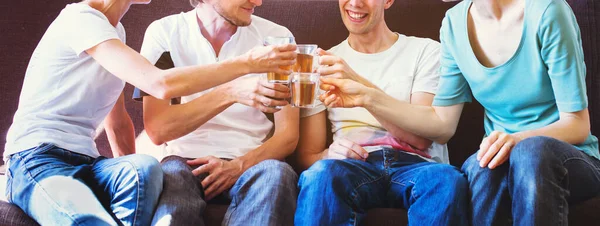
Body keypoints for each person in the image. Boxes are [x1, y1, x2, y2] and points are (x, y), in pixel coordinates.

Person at [3, 0, 296, 225]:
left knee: (145, 168)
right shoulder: (81, 20)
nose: (257, 1)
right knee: (165, 173)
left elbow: (117, 124)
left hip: (88, 160)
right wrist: (242, 74)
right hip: (38, 155)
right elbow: (159, 84)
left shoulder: (114, 33)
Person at [320, 0, 600, 224]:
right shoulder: (454, 23)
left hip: (570, 158)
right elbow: (442, 125)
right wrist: (366, 95)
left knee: (529, 152)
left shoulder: (548, 11)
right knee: (481, 166)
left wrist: (518, 140)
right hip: (502, 156)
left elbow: (577, 125)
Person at [293, 0, 468, 225]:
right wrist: (329, 154)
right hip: (353, 165)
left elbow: (421, 139)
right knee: (320, 176)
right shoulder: (323, 65)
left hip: (418, 165)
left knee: (447, 180)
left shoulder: (426, 51)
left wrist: (361, 88)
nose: (355, 3)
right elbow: (308, 156)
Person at [133, 0, 299, 225]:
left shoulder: (276, 37)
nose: (258, 2)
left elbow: (287, 135)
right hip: (183, 161)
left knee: (277, 174)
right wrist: (231, 92)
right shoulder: (165, 32)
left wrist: (238, 166)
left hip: (254, 162)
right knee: (170, 181)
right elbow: (158, 129)